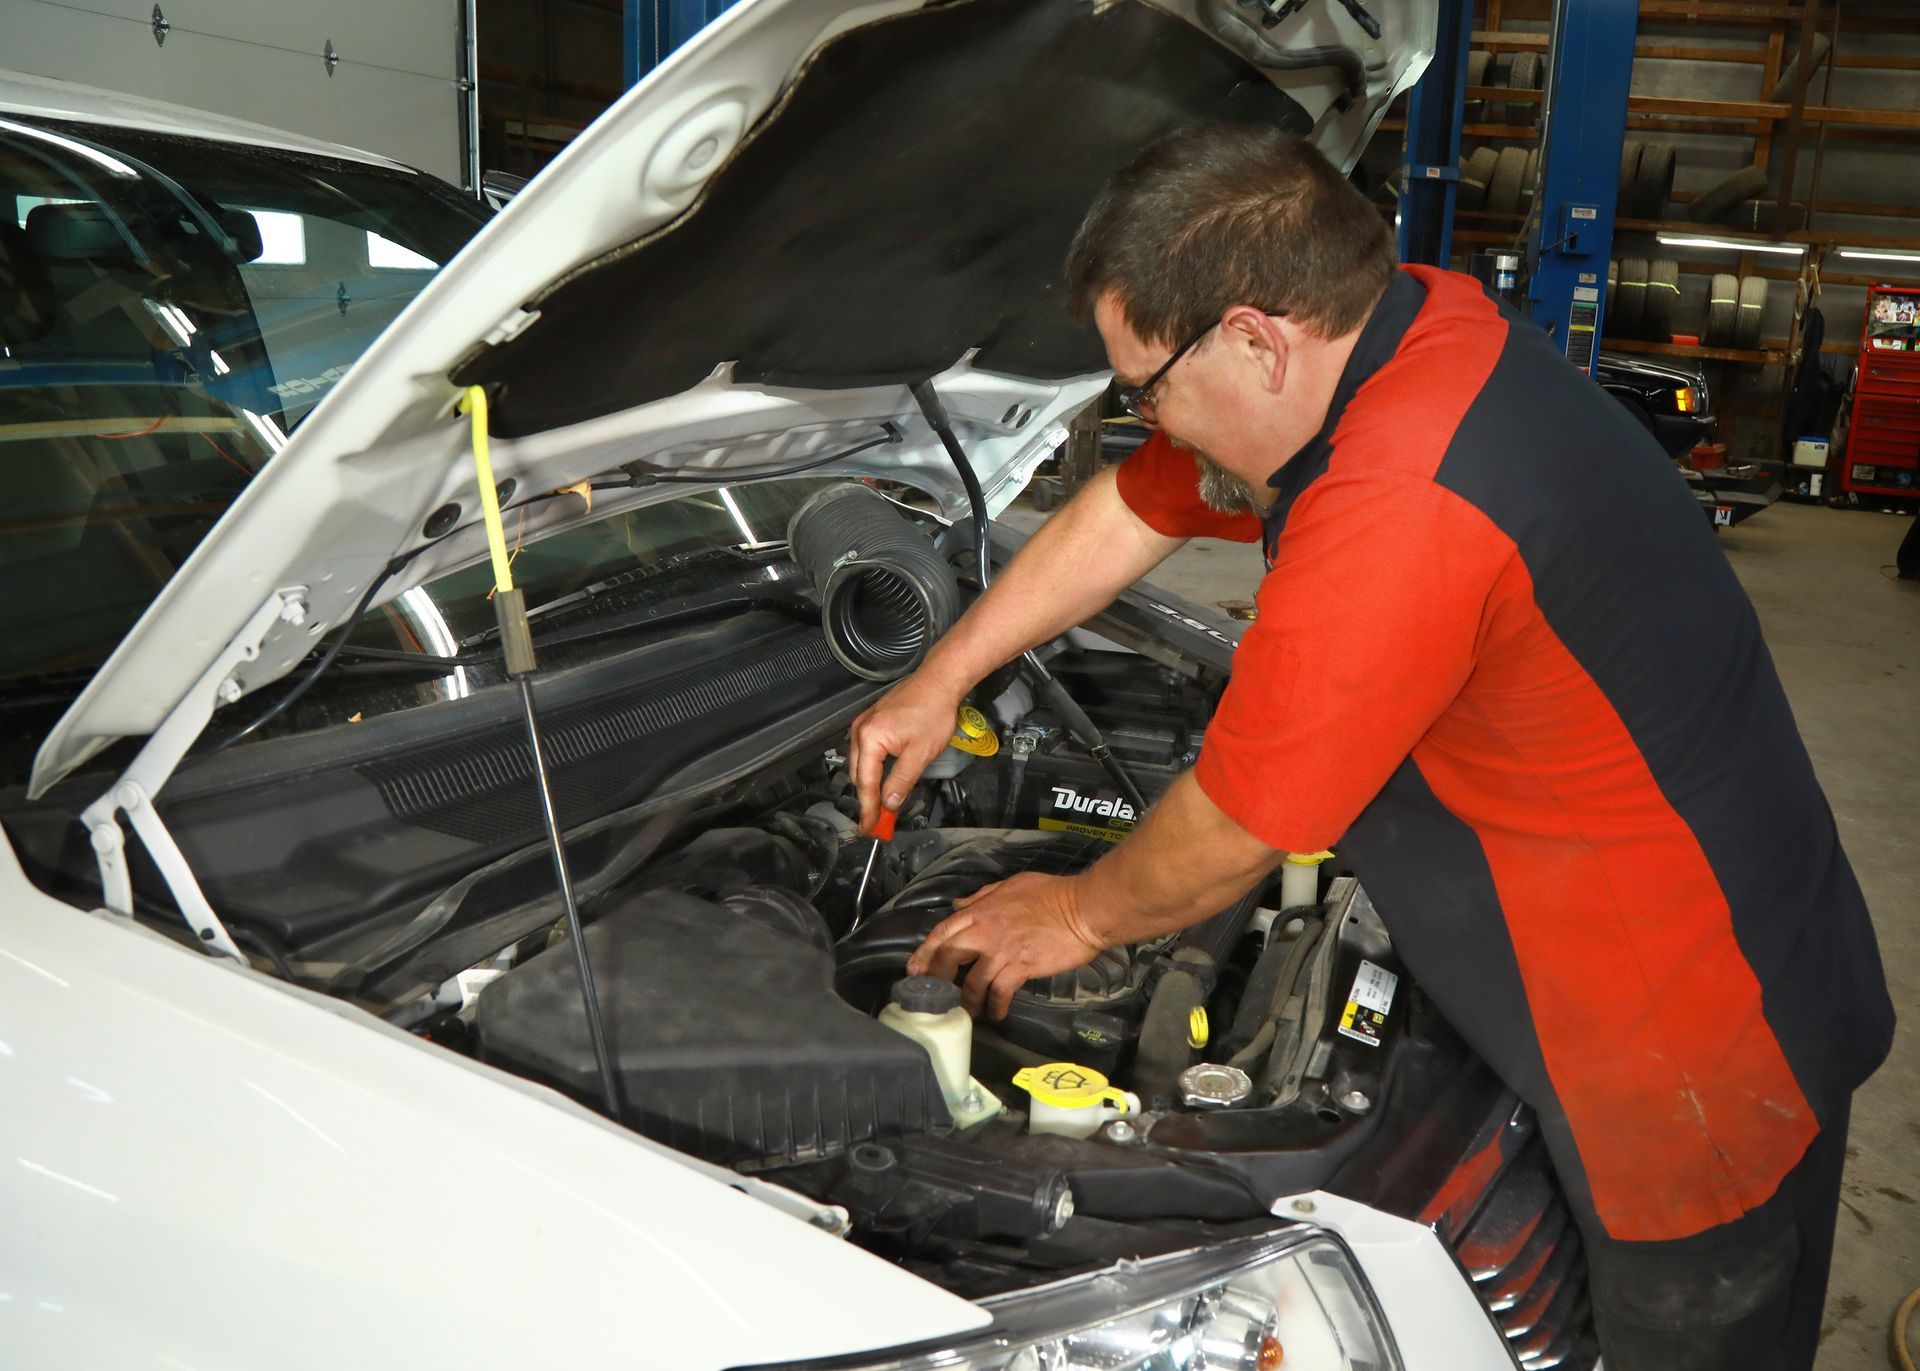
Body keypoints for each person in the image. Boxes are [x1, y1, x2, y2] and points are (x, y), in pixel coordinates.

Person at [846, 124, 1893, 1370]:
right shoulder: (1411, 331)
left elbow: (1237, 824)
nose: (1146, 419)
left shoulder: (1404, 497)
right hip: (1705, 929)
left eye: (1145, 388)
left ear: (1254, 339)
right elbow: (1138, 501)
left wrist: (1071, 919)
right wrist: (941, 675)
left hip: (1684, 1066)